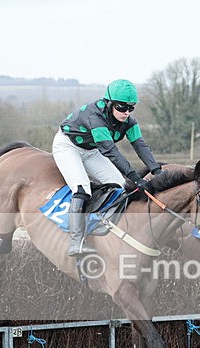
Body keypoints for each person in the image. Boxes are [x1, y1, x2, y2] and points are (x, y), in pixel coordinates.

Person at [52, 79, 163, 256]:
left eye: (131, 108)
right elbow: (111, 151)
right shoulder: (95, 118)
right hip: (68, 146)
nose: (126, 112)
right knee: (82, 189)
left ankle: (108, 228)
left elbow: (140, 145)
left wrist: (157, 171)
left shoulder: (130, 122)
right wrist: (136, 178)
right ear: (109, 103)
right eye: (121, 107)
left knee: (120, 186)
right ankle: (76, 242)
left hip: (91, 150)